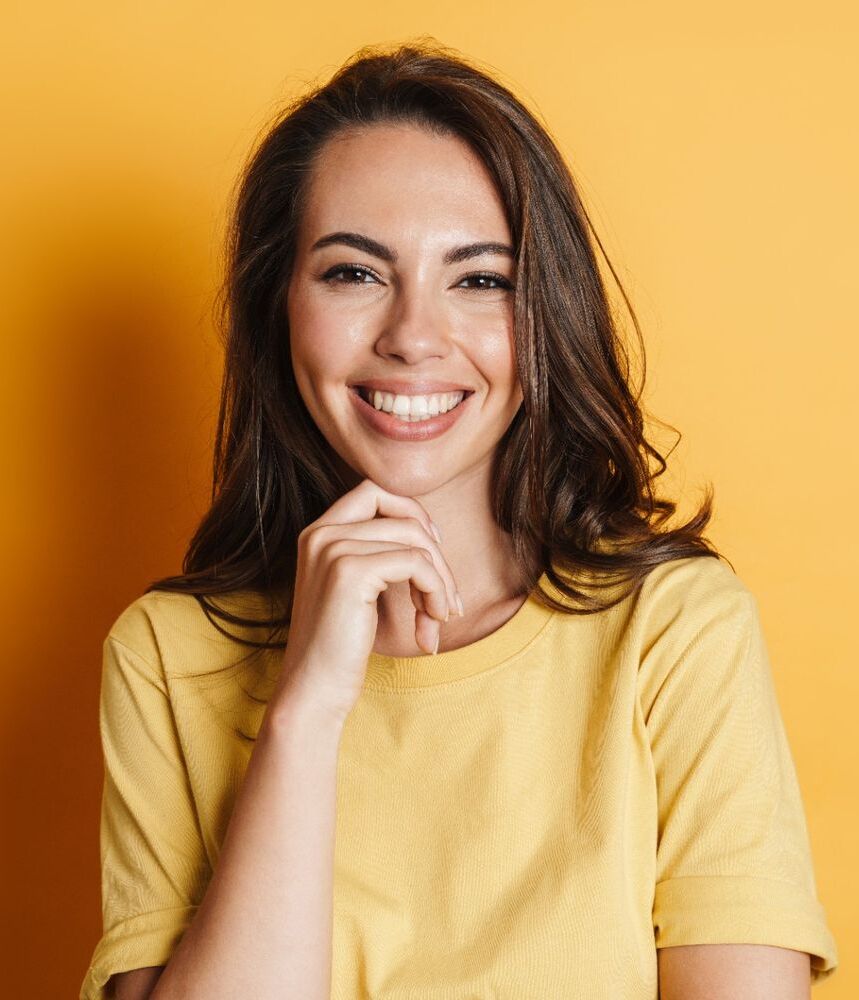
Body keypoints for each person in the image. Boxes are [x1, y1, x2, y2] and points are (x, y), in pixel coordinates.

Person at [79, 40, 838, 1000]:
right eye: (354, 273)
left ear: (542, 314)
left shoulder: (673, 629)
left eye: (479, 279)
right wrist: (304, 715)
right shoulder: (167, 657)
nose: (413, 336)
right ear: (279, 305)